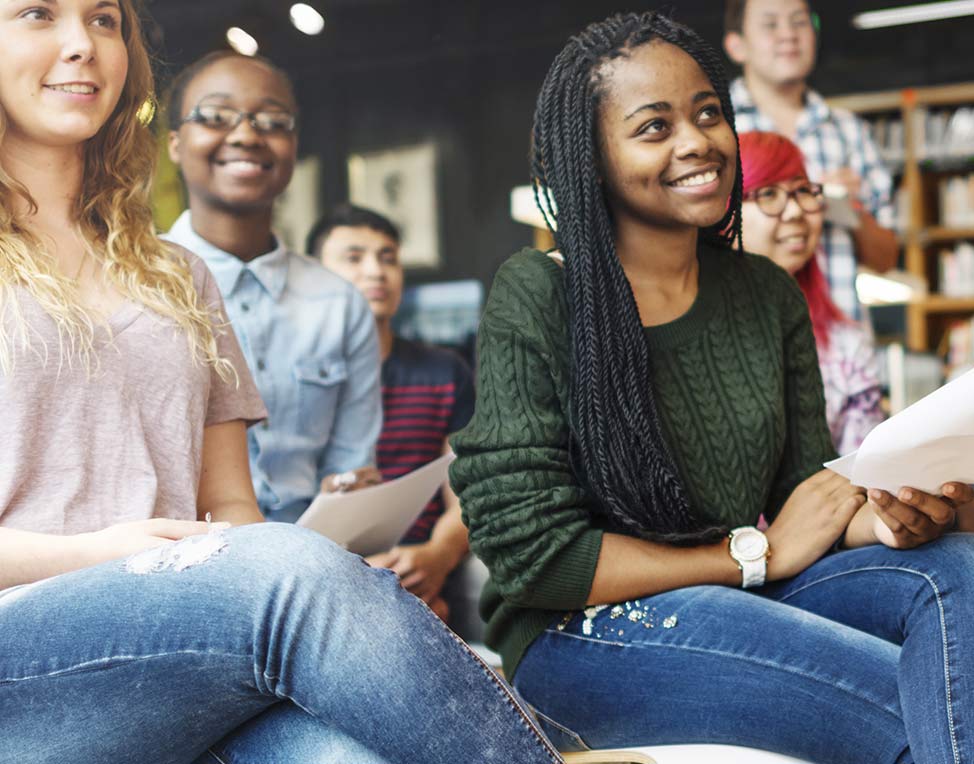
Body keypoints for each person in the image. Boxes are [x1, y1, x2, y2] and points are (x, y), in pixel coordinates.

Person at [448, 13, 974, 762]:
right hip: (582, 635)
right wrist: (753, 555)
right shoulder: (538, 292)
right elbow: (532, 556)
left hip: (740, 593)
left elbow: (809, 495)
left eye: (707, 114)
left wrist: (891, 515)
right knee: (922, 707)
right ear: (593, 158)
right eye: (653, 127)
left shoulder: (766, 293)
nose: (697, 141)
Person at [0, 2, 559, 760]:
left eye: (104, 20)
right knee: (290, 568)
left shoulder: (178, 274)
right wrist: (110, 552)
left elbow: (231, 507)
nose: (81, 45)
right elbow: (259, 563)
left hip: (189, 639)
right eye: (38, 13)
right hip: (27, 652)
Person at [161, 51, 383, 522]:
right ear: (176, 143)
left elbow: (351, 469)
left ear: (294, 145)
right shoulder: (132, 285)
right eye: (216, 116)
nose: (246, 135)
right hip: (172, 561)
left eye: (271, 120)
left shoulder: (340, 305)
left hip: (309, 555)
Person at [310, 204, 480, 634]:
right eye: (354, 258)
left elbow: (468, 491)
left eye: (388, 258)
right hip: (322, 577)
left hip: (424, 575)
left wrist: (437, 556)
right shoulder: (295, 378)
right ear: (313, 276)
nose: (376, 271)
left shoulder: (444, 371)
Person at [724, 0, 898, 319]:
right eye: (770, 25)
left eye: (799, 22)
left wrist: (849, 208)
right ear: (737, 46)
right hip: (744, 335)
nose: (789, 34)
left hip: (839, 345)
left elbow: (887, 258)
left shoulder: (849, 131)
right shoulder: (716, 129)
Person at [737, 131, 881, 455]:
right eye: (768, 194)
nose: (795, 212)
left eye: (803, 191)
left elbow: (869, 476)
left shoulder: (846, 347)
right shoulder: (691, 335)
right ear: (723, 212)